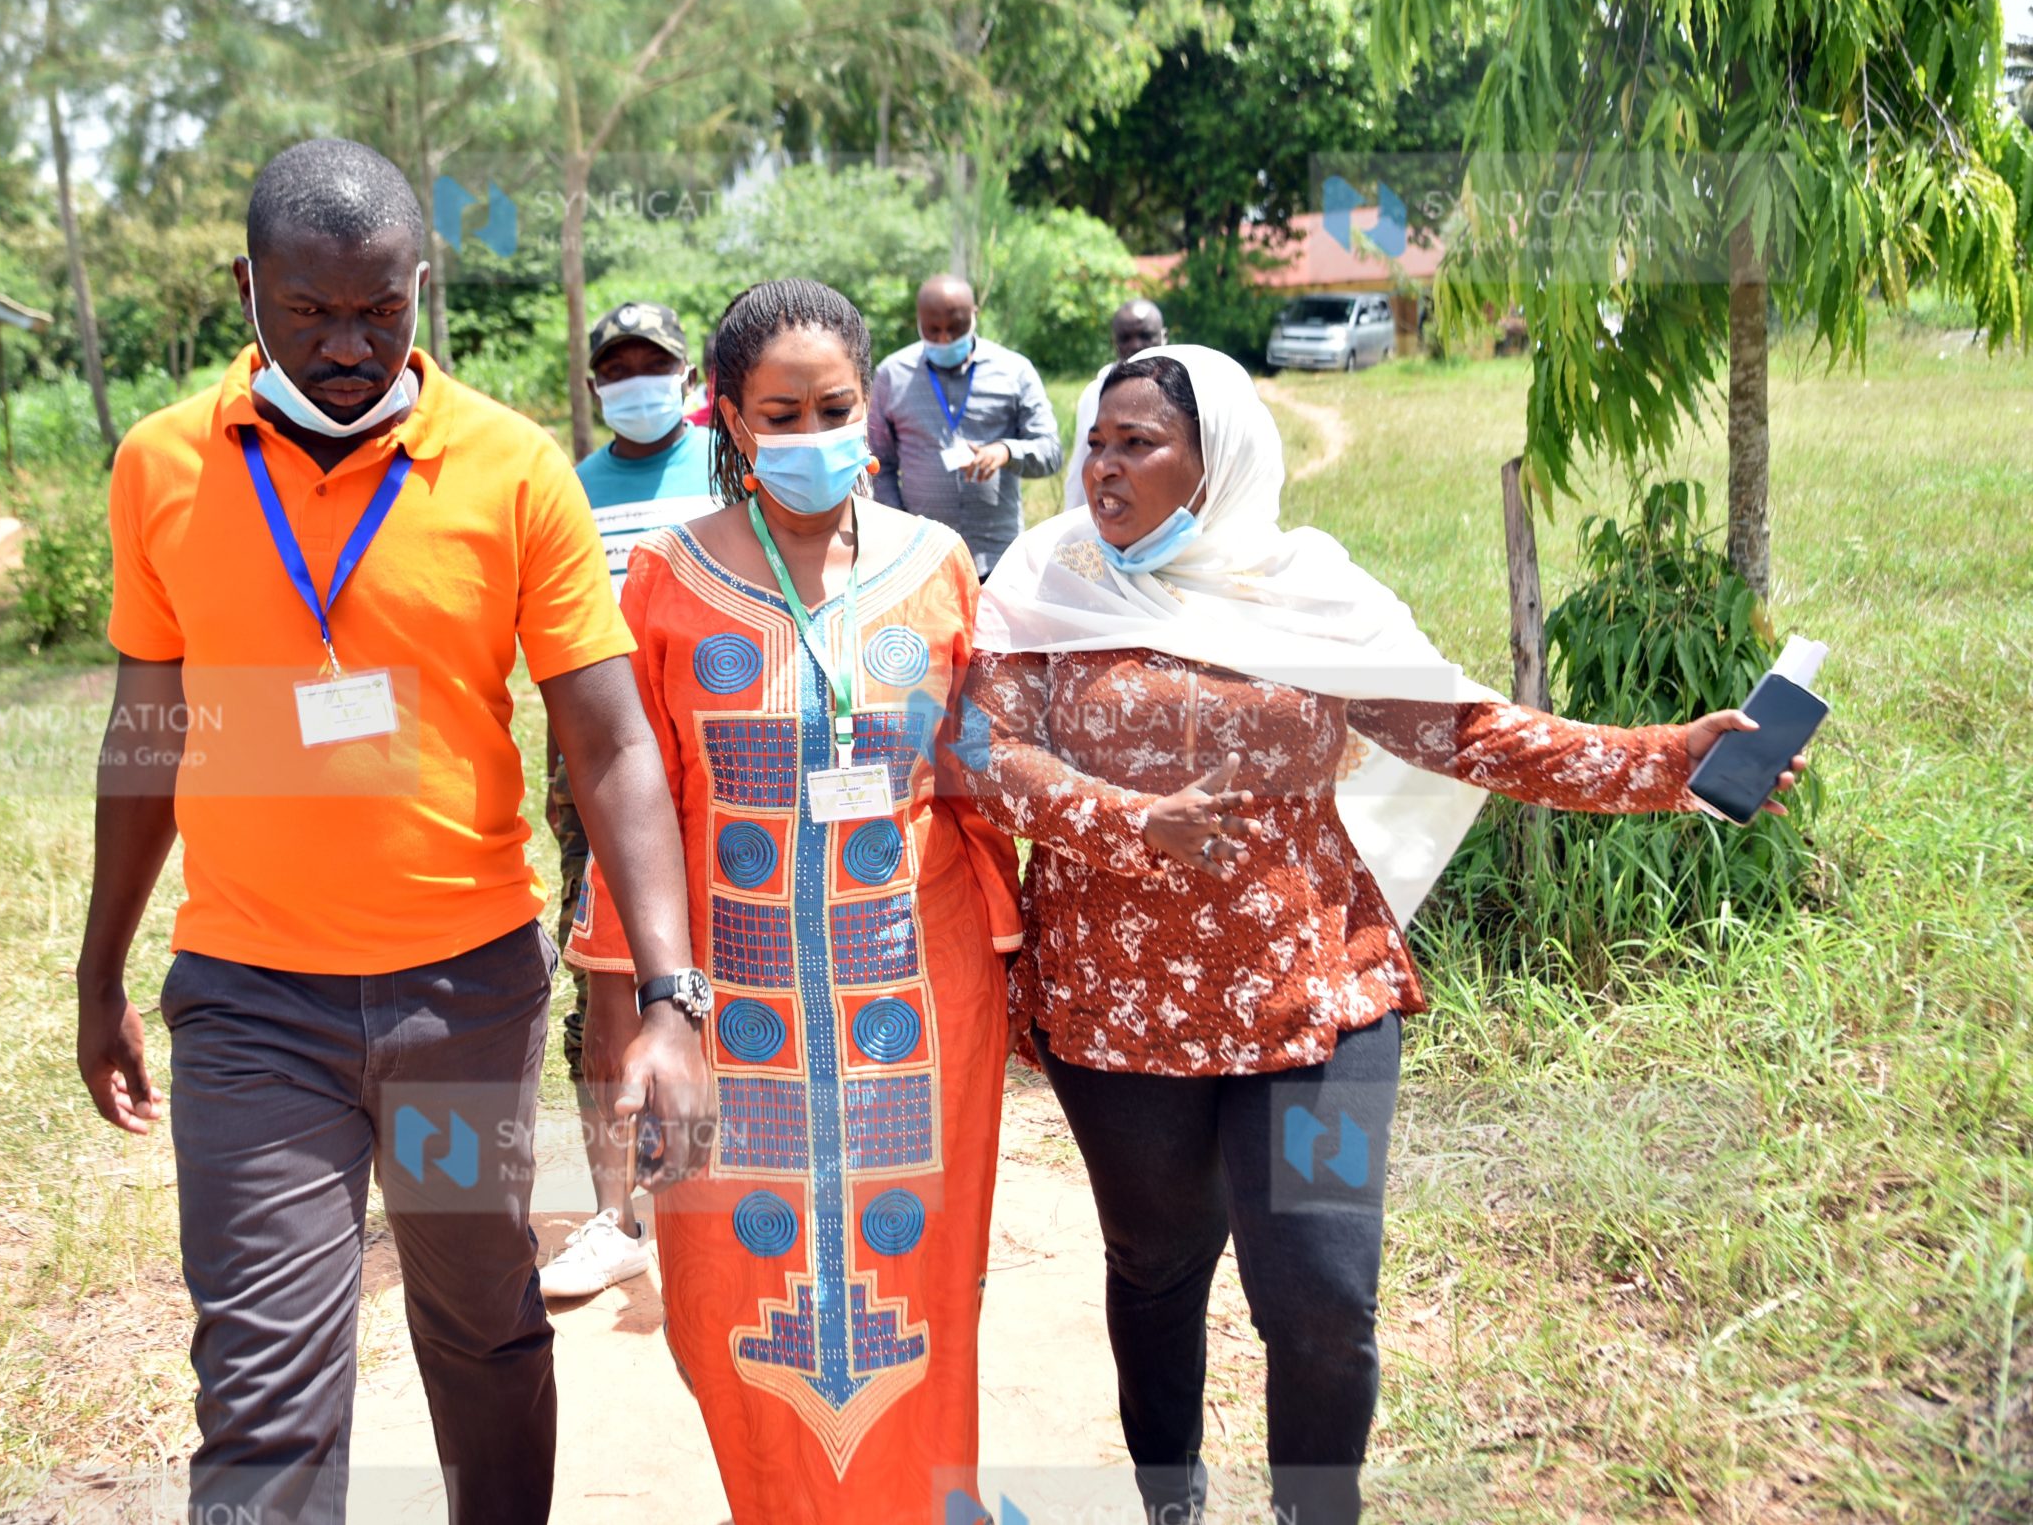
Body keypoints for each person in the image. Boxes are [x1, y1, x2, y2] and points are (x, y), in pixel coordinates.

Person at [963, 347, 1811, 1525]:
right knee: (1156, 1269)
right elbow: (979, 756)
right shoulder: (1041, 585)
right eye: (1096, 441)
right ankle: (1171, 1495)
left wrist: (1669, 759)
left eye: (1138, 443)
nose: (1102, 467)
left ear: (1218, 464)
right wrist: (1126, 821)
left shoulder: (1306, 589)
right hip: (1119, 1017)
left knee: (1321, 1297)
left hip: (1317, 994)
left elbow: (1473, 732)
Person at [74, 138, 713, 1525]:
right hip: (249, 1005)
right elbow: (146, 739)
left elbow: (608, 741)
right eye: (311, 313)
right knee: (263, 1384)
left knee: (481, 1327)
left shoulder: (510, 469)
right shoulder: (164, 467)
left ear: (421, 287)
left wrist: (669, 996)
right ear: (247, 289)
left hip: (459, 996)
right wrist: (98, 970)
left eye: (381, 309)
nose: (352, 345)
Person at [567, 279, 1024, 1524]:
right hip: (729, 1009)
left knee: (923, 1285)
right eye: (783, 410)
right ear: (729, 417)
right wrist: (631, 1015)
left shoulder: (937, 565)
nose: (814, 432)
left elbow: (975, 769)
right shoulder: (664, 580)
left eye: (834, 406)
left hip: (918, 1007)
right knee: (729, 1295)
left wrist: (1022, 941)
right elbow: (632, 803)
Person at [540, 299, 722, 1301]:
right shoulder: (565, 492)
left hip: (721, 751)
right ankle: (613, 1213)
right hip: (599, 757)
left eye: (658, 364)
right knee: (603, 968)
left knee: (737, 949)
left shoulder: (728, 473)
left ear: (690, 379)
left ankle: (728, 1174)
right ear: (595, 384)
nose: (639, 379)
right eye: (620, 366)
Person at [867, 273, 1060, 577]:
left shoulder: (1015, 371)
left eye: (955, 329)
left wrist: (1006, 452)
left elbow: (1051, 452)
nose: (944, 339)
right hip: (921, 561)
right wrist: (901, 531)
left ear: (974, 316)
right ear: (918, 321)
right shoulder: (892, 376)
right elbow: (879, 464)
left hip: (997, 559)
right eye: (933, 330)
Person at [1060, 297, 1166, 514]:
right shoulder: (1095, 394)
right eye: (1125, 338)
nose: (1136, 346)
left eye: (1146, 336)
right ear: (1113, 341)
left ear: (1164, 336)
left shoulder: (1187, 390)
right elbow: (1082, 464)